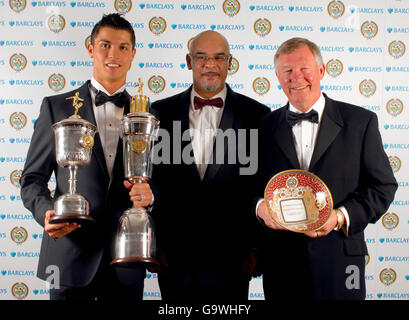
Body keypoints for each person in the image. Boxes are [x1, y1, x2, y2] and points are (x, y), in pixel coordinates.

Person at [129, 30, 270, 301]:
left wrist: (257, 250)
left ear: (230, 63)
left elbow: (261, 185)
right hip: (174, 257)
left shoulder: (258, 115)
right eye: (202, 57)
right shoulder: (158, 114)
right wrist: (155, 243)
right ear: (189, 61)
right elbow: (151, 180)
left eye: (219, 58)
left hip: (234, 260)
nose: (210, 64)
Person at [255, 37, 398, 300]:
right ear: (277, 76)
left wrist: (339, 217)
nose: (296, 77)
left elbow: (383, 187)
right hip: (281, 263)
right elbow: (248, 187)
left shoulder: (360, 122)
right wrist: (260, 208)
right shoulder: (263, 127)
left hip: (341, 261)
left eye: (304, 68)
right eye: (287, 71)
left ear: (321, 70)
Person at [20, 13, 147, 300]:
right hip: (68, 256)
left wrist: (151, 196)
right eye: (105, 45)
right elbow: (32, 179)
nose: (113, 54)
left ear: (133, 54)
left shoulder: (148, 116)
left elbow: (159, 183)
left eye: (123, 47)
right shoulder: (56, 107)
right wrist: (46, 213)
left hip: (126, 258)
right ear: (90, 48)